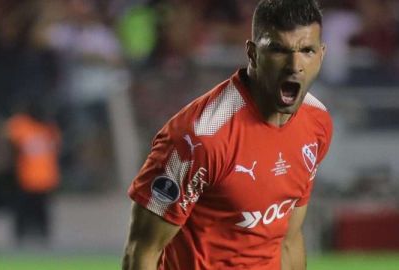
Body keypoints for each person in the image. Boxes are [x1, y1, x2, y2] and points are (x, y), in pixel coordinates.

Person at [123, 0, 332, 269]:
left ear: (322, 55)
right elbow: (142, 252)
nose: (294, 65)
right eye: (278, 49)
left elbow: (289, 240)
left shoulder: (317, 123)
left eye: (307, 50)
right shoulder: (200, 137)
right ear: (253, 53)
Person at [6, 101, 62, 246]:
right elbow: (11, 145)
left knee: (41, 215)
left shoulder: (48, 128)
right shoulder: (21, 125)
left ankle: (42, 243)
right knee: (23, 213)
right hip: (26, 179)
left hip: (43, 180)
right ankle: (21, 241)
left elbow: (55, 148)